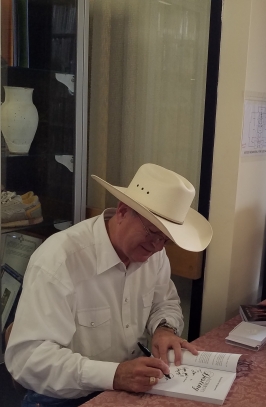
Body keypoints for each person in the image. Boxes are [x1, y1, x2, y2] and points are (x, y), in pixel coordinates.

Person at [5, 163, 213, 406]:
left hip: (128, 383)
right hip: (64, 395)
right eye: (153, 233)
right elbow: (29, 360)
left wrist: (164, 329)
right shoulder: (59, 260)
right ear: (123, 211)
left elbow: (165, 302)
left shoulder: (154, 255)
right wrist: (114, 375)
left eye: (166, 240)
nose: (157, 247)